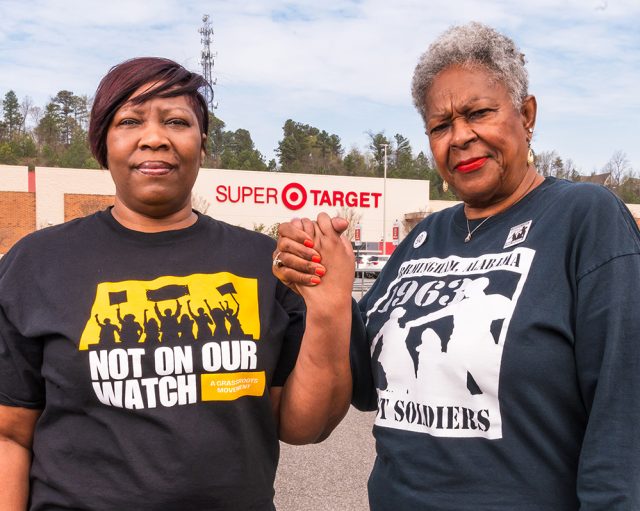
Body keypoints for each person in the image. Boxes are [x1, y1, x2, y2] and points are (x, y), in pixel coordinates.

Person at [274, 22, 640, 510]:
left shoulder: (584, 218)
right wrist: (330, 296)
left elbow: (623, 414)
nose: (460, 136)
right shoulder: (424, 238)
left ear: (526, 115)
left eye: (479, 113)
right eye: (440, 126)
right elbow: (363, 384)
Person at [0, 57, 353, 510]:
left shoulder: (263, 264)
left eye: (176, 121)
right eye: (130, 121)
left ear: (201, 145)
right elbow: (9, 435)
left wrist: (328, 308)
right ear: (102, 144)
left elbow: (306, 428)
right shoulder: (38, 263)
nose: (155, 138)